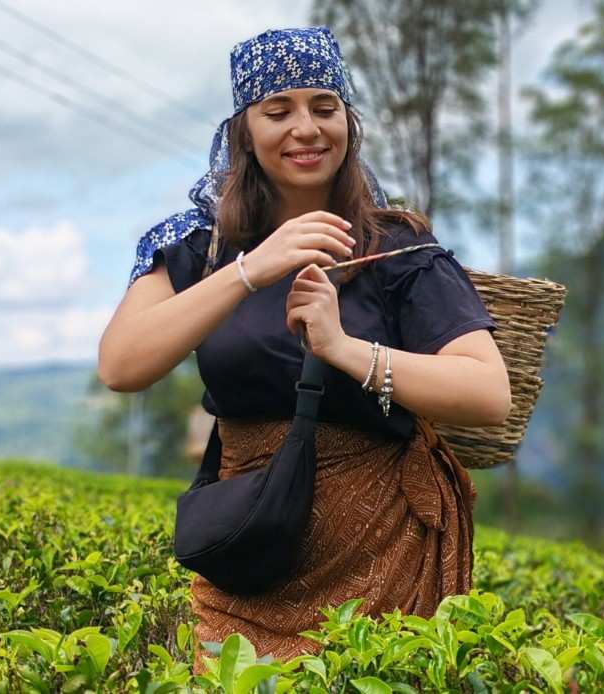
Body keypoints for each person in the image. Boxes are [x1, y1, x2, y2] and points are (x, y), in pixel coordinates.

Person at [96, 26, 511, 670]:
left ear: (349, 123)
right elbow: (121, 366)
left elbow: (487, 393)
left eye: (325, 107)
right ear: (244, 131)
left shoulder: (397, 247)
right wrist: (250, 270)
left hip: (379, 550)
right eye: (278, 110)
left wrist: (344, 348)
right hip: (251, 537)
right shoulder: (196, 246)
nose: (306, 129)